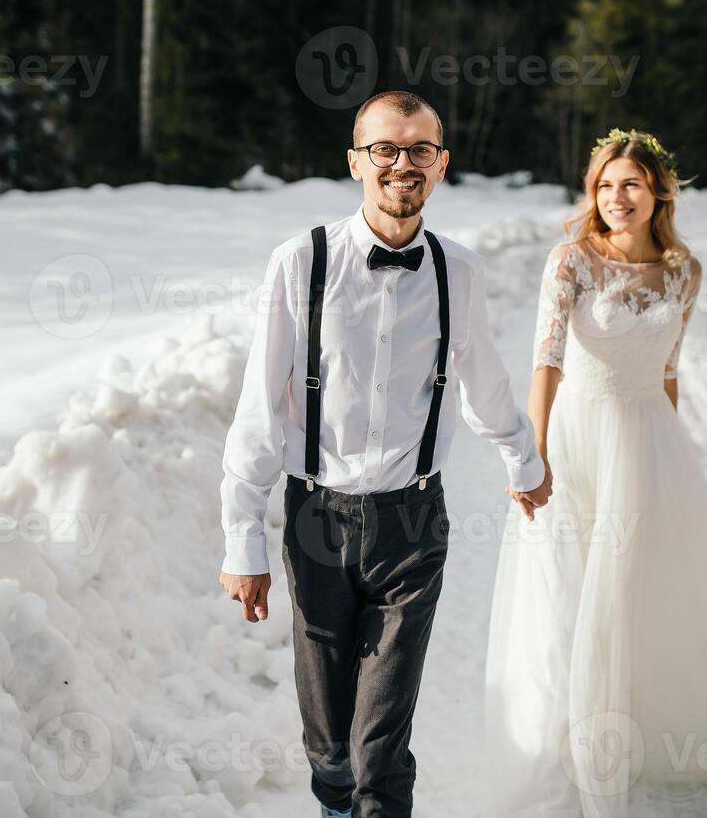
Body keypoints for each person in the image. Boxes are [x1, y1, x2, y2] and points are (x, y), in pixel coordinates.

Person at [217, 90, 552, 818]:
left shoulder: (457, 271)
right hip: (316, 518)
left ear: (441, 164)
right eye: (386, 149)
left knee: (381, 743)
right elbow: (258, 407)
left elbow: (484, 380)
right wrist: (243, 539)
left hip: (412, 524)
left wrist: (524, 461)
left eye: (420, 150)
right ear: (356, 161)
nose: (404, 164)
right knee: (329, 742)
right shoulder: (300, 262)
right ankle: (333, 799)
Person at [482, 128, 707, 818]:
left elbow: (670, 369)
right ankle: (573, 741)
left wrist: (674, 452)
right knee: (574, 589)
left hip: (649, 440)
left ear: (658, 193)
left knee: (652, 587)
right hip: (579, 441)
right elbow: (545, 361)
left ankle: (656, 728)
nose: (617, 198)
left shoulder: (683, 271)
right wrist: (535, 454)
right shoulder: (571, 260)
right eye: (606, 186)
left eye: (631, 185)